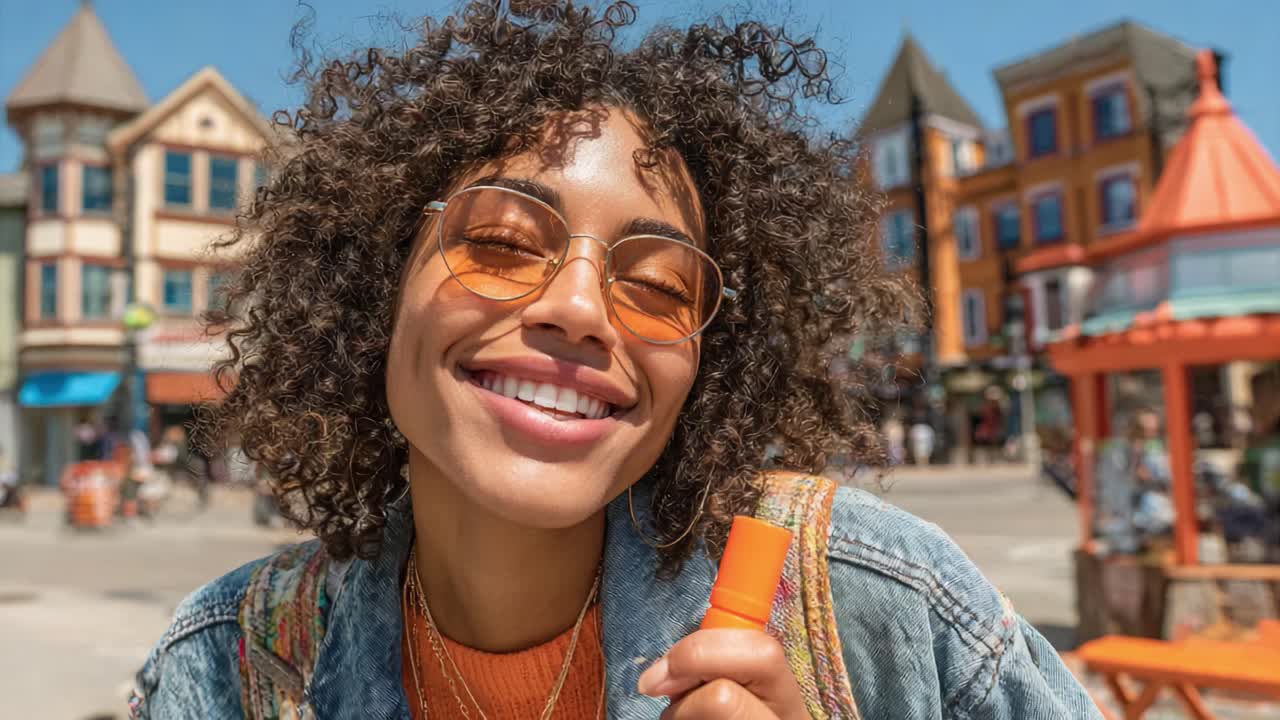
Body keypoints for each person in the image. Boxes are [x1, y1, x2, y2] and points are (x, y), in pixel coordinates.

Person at [131, 3, 1100, 718]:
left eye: (660, 285)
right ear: (379, 285)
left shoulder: (875, 599)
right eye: (503, 242)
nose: (581, 310)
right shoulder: (228, 667)